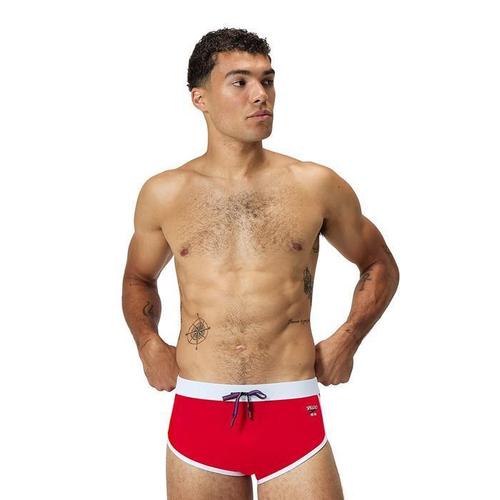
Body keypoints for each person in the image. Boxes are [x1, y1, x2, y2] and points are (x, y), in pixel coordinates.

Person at [122, 27, 400, 500]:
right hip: (200, 413)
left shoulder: (315, 185)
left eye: (267, 80)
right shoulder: (165, 193)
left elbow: (379, 264)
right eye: (240, 82)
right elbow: (138, 278)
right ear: (200, 99)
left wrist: (349, 337)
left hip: (292, 411)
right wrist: (148, 343)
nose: (260, 94)